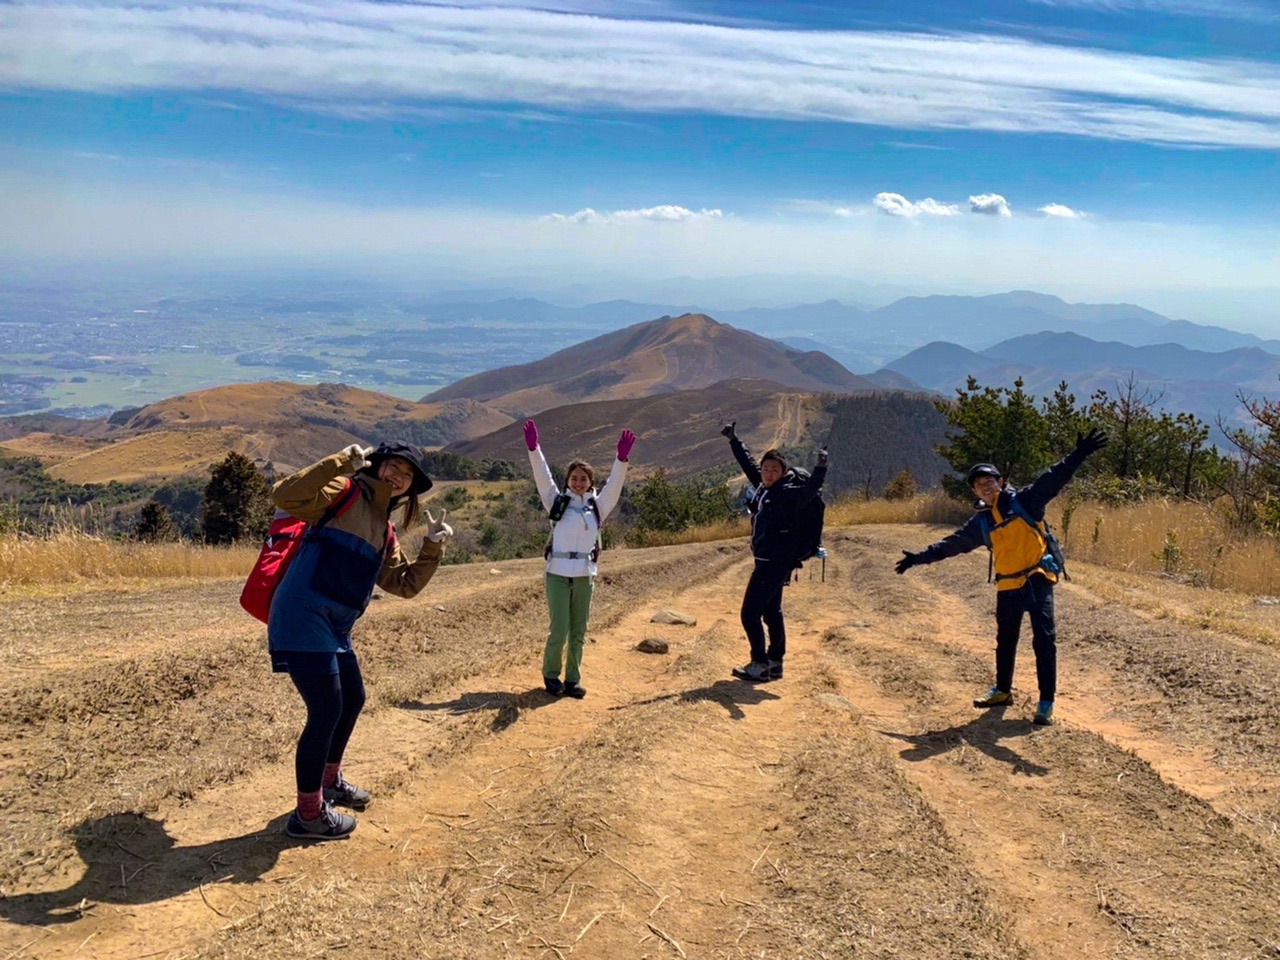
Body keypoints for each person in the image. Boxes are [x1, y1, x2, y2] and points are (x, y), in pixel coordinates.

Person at [268, 441, 453, 841]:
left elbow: (404, 585)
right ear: (376, 466)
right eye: (393, 467)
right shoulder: (343, 493)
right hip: (303, 614)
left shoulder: (385, 531)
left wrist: (433, 547)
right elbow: (284, 494)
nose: (398, 478)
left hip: (336, 627)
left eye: (406, 475)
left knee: (351, 699)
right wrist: (337, 463)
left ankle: (329, 782)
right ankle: (308, 815)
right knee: (326, 708)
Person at [894, 429, 1110, 726]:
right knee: (1005, 640)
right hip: (1008, 583)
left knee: (1044, 640)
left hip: (1038, 577)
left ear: (1001, 482)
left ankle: (1046, 702)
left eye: (989, 481)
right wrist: (918, 558)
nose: (985, 486)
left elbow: (1054, 478)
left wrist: (1079, 454)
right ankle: (1003, 691)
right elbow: (952, 544)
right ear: (974, 491)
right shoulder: (981, 522)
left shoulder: (1027, 501)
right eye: (978, 484)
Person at [524, 419, 634, 699]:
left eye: (583, 478)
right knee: (559, 629)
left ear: (590, 482)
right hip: (558, 573)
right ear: (568, 481)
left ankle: (572, 679)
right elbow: (543, 478)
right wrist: (534, 449)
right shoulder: (556, 503)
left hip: (585, 573)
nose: (578, 482)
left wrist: (621, 460)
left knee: (579, 631)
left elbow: (614, 486)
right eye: (573, 478)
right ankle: (551, 675)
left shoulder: (598, 506)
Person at [721, 421, 828, 683]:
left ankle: (759, 663)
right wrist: (735, 440)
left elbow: (811, 489)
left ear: (783, 471)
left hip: (774, 563)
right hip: (770, 561)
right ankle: (775, 664)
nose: (768, 473)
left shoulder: (788, 494)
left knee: (749, 614)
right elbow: (748, 464)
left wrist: (820, 467)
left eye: (774, 470)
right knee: (771, 612)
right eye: (766, 469)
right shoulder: (764, 487)